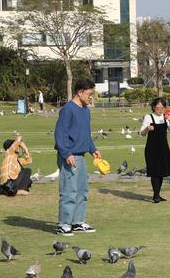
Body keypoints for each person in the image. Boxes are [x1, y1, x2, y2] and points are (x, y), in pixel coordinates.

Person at [54, 79, 101, 236]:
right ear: (80, 92)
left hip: (81, 155)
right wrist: (66, 153)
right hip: (69, 156)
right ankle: (64, 224)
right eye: (89, 94)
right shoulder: (68, 109)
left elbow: (85, 133)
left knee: (82, 190)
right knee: (69, 190)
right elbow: (60, 133)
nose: (90, 97)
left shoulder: (85, 109)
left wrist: (92, 149)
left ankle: (78, 222)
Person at [140, 97, 170, 203]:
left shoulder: (166, 118)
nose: (159, 110)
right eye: (157, 108)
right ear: (153, 107)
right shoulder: (149, 117)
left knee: (162, 172)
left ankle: (157, 194)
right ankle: (156, 196)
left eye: (162, 108)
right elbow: (141, 134)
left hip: (163, 148)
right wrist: (147, 129)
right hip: (152, 149)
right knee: (155, 172)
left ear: (165, 108)